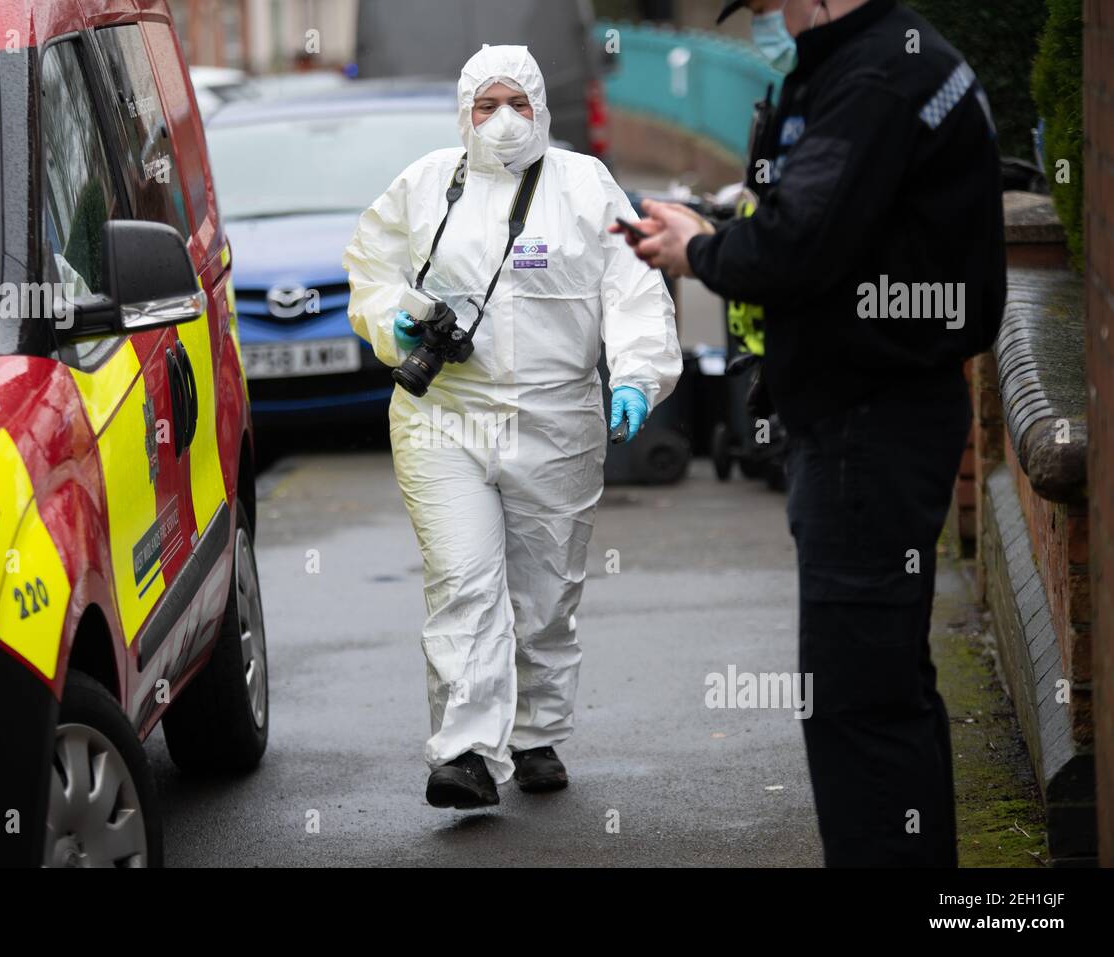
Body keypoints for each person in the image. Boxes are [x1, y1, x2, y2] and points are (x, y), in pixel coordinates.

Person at [615, 0, 1005, 865]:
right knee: (886, 685)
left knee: (856, 702)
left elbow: (798, 244)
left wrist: (701, 251)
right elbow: (839, 227)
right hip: (885, 412)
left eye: (767, 4)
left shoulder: (871, 76)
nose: (771, 20)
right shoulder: (905, 60)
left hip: (867, 427)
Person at [345, 45, 682, 809]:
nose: (502, 120)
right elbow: (370, 269)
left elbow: (633, 287)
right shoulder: (427, 185)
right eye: (486, 104)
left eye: (518, 104)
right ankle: (464, 751)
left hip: (557, 420)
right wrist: (392, 320)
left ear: (543, 109)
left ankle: (536, 731)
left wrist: (635, 374)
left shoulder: (584, 186)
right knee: (463, 581)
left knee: (545, 592)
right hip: (446, 418)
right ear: (463, 113)